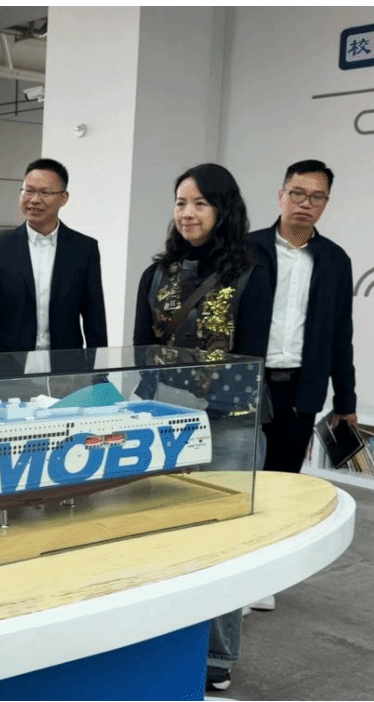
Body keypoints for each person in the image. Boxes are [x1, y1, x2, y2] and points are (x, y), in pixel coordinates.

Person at [132, 163, 273, 692]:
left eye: (199, 203)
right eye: (180, 202)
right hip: (166, 419)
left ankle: (217, 653)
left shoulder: (251, 272)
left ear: (223, 209)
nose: (187, 213)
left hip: (231, 422)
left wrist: (197, 389)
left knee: (223, 538)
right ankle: (160, 638)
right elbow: (142, 351)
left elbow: (251, 355)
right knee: (160, 530)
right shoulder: (157, 274)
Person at [254, 160, 356, 474]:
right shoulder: (246, 250)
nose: (306, 203)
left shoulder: (335, 260)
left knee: (286, 481)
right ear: (281, 196)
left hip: (301, 391)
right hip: (248, 383)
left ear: (325, 203)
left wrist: (346, 403)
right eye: (297, 193)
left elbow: (341, 335)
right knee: (238, 478)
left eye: (317, 197)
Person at [0, 158, 108, 357]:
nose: (34, 200)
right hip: (11, 363)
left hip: (66, 364)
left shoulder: (84, 249)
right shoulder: (0, 248)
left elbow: (95, 316)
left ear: (64, 198)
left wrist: (99, 368)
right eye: (28, 191)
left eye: (45, 193)